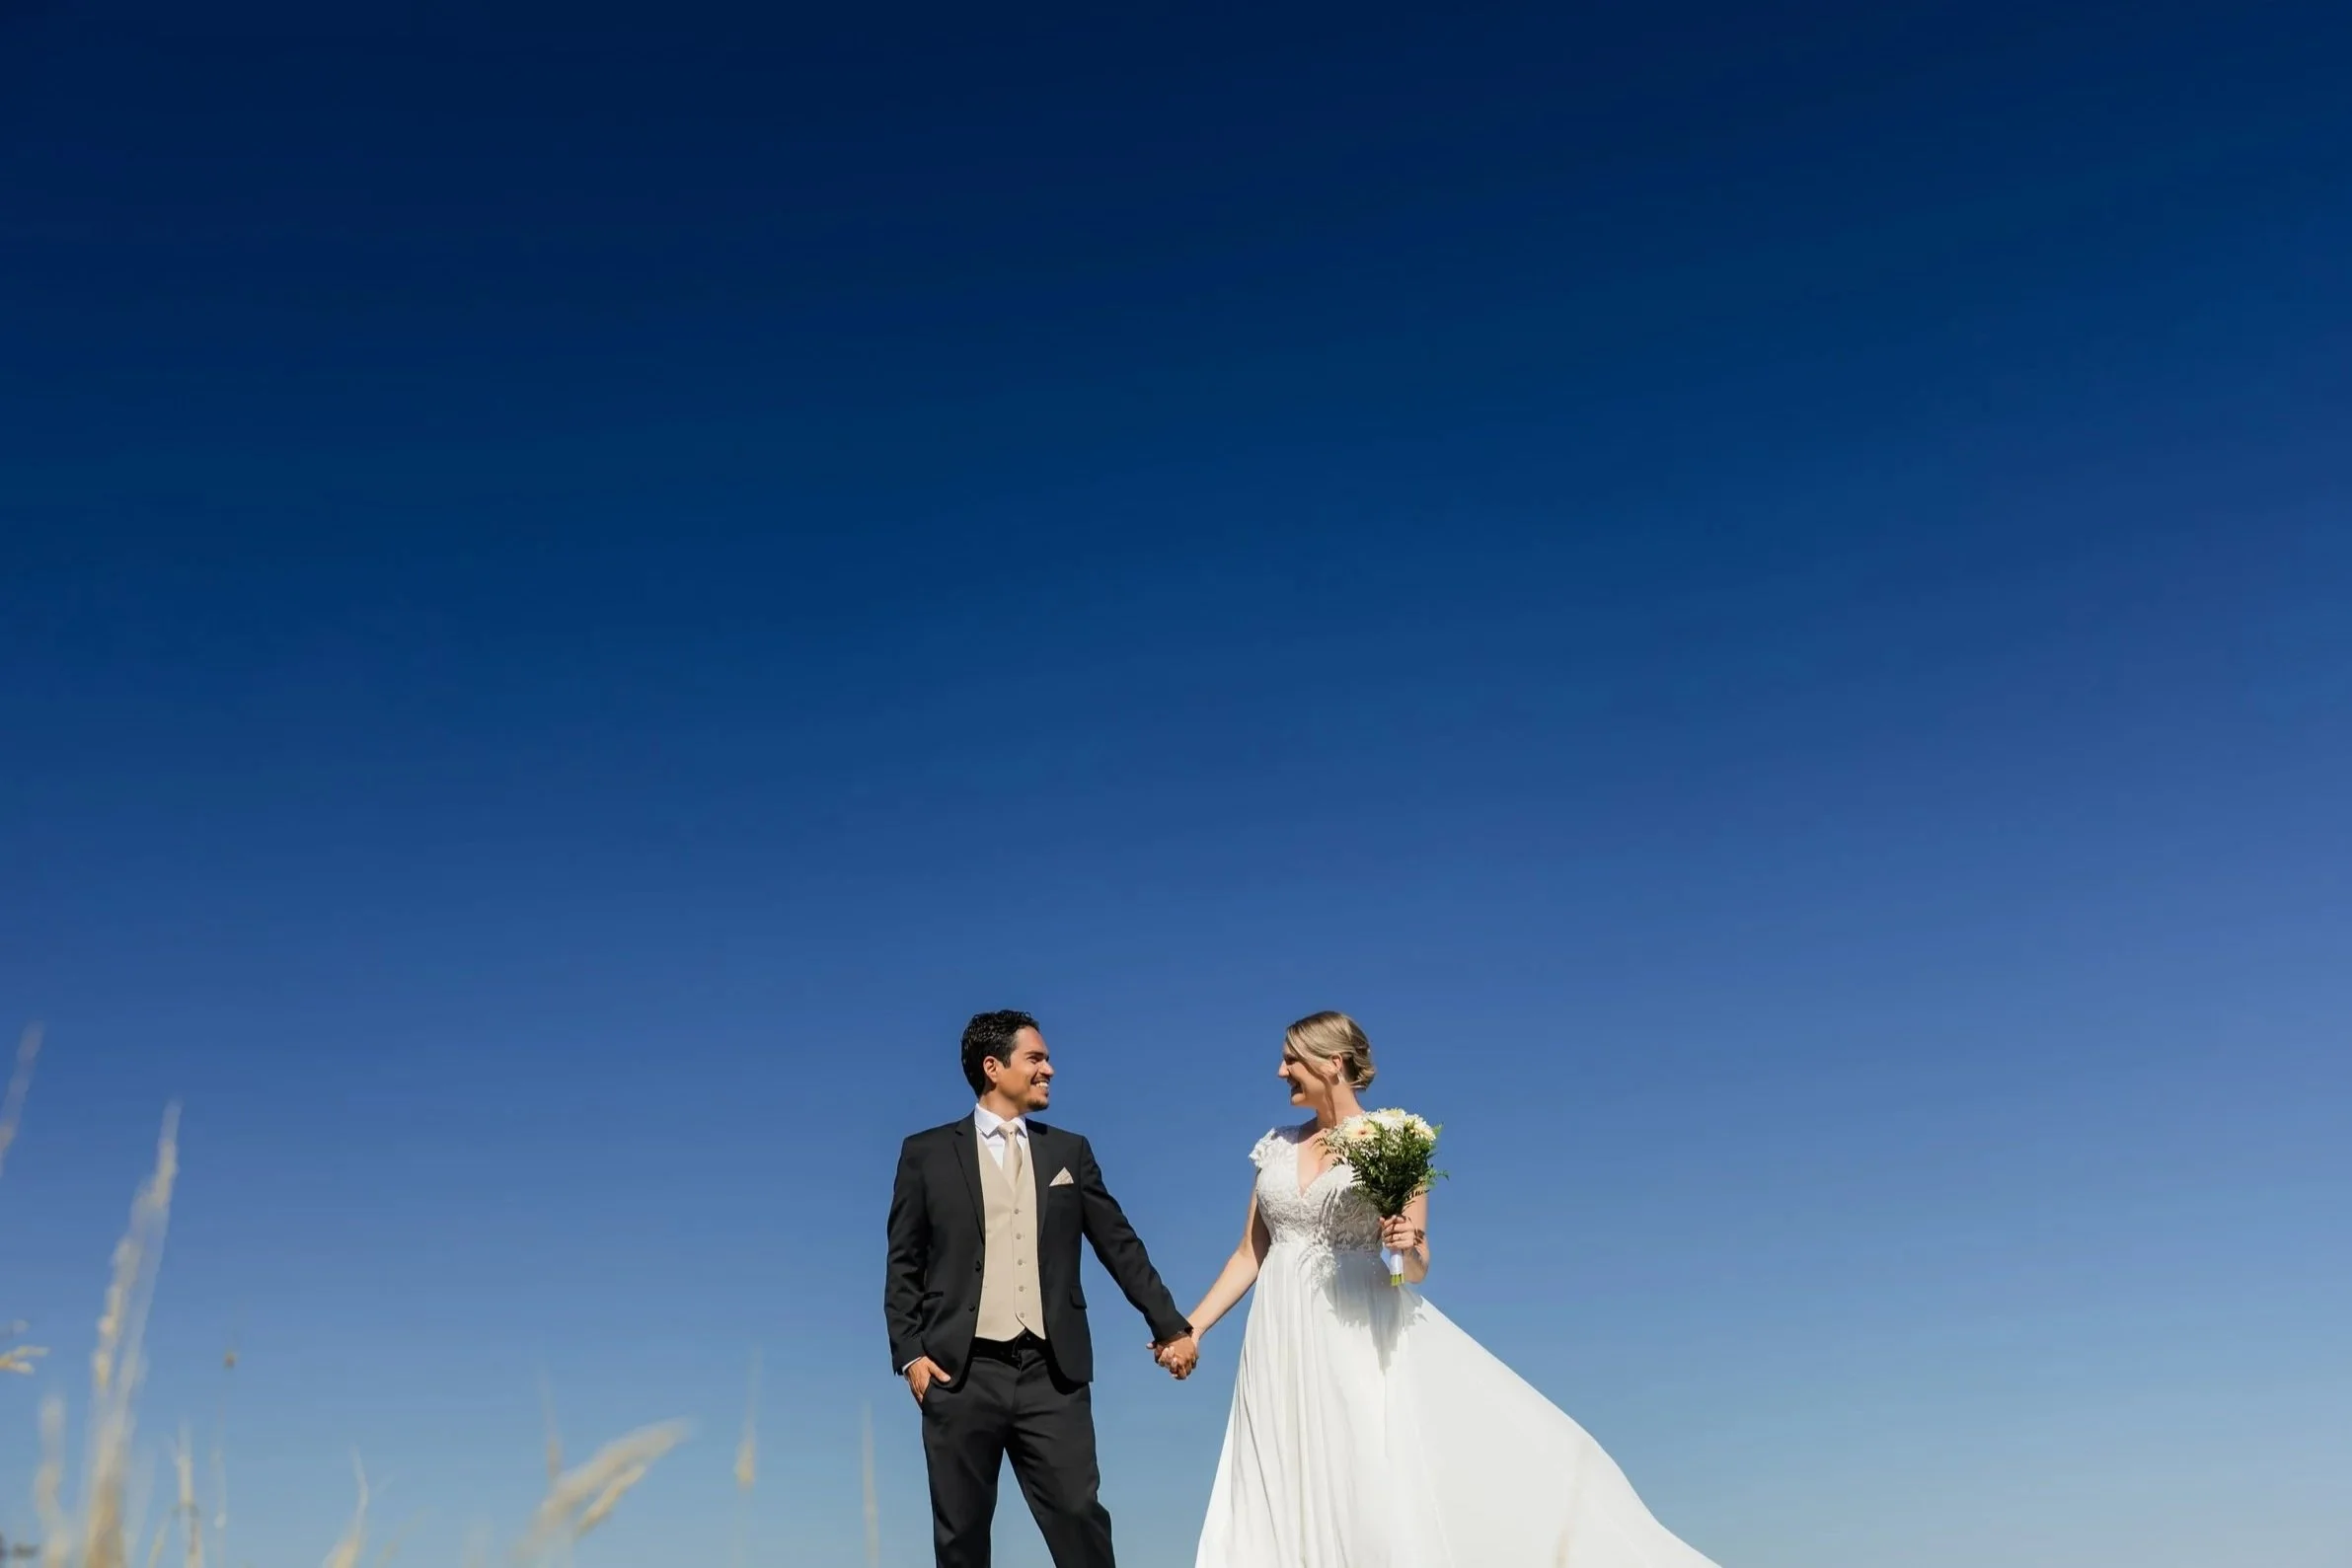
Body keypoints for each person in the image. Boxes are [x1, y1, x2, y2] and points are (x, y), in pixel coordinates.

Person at [1162, 1010, 1721, 1568]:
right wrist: (1190, 1329)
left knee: (1359, 1469)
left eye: (1291, 1059)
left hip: (1355, 1327)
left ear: (1333, 1063)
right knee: (1275, 1468)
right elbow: (1250, 1253)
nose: (1280, 1070)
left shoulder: (1396, 1140)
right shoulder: (1276, 1146)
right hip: (1278, 1332)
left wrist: (1407, 1245)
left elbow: (1413, 1268)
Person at [885, 1008, 1196, 1568]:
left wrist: (1170, 1325)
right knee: (960, 1536)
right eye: (1035, 1058)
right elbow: (903, 1262)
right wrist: (910, 1355)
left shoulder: (1068, 1152)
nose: (1049, 1069)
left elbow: (1118, 1244)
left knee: (1079, 1514)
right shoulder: (925, 1153)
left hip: (1053, 1372)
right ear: (992, 1067)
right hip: (958, 1373)